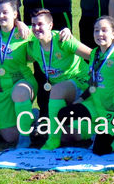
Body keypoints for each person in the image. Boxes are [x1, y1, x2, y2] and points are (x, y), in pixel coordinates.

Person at [54, 16, 114, 154]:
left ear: (113, 34)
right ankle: (100, 129)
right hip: (96, 107)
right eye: (96, 30)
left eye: (104, 30)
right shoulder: (94, 54)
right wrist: (80, 100)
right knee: (64, 114)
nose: (99, 34)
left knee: (100, 151)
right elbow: (93, 83)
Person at [29, 9, 92, 150]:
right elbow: (9, 24)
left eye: (40, 24)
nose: (36, 28)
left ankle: (53, 140)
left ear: (50, 25)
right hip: (62, 93)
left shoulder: (63, 40)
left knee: (56, 90)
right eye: (33, 25)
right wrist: (19, 24)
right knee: (67, 136)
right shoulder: (33, 43)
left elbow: (92, 55)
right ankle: (90, 130)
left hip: (81, 84)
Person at [0, 0, 37, 148]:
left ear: (15, 13)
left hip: (21, 82)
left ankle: (25, 136)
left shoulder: (24, 32)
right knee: (10, 137)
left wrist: (66, 31)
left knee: (19, 93)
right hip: (0, 88)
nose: (1, 16)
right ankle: (33, 116)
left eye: (5, 12)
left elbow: (48, 34)